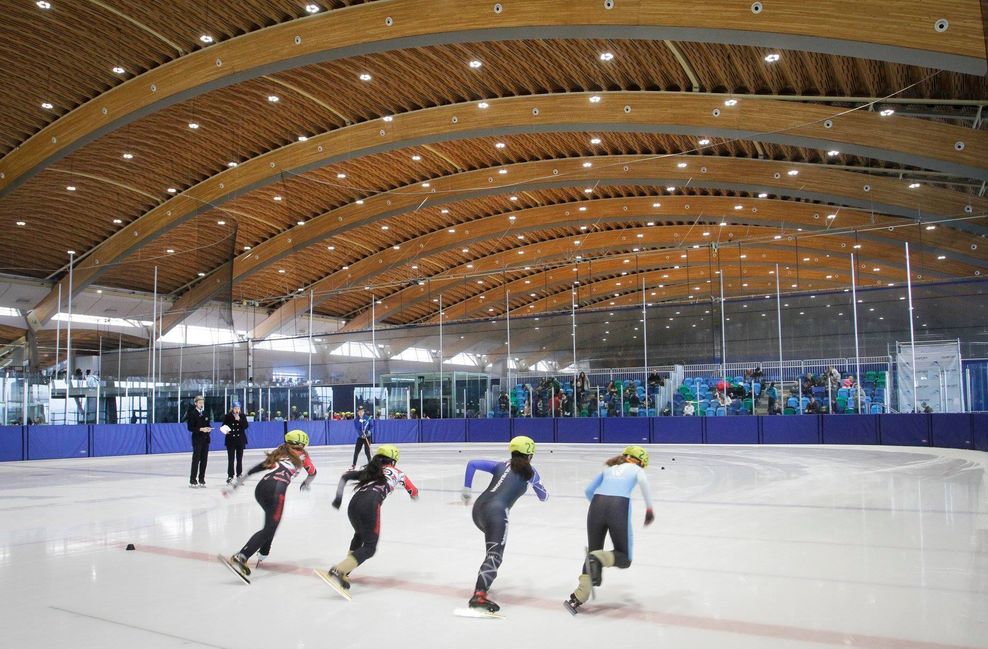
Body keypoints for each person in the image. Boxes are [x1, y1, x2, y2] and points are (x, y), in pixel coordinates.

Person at [461, 436, 548, 613]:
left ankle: (483, 582)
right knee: (495, 555)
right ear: (530, 455)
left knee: (491, 552)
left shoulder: (500, 465)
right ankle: (479, 595)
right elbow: (543, 497)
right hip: (497, 513)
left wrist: (466, 490)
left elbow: (472, 464)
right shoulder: (531, 473)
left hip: (478, 510)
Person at [564, 446, 654, 615]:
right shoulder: (636, 469)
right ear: (640, 461)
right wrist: (649, 509)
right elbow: (644, 483)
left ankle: (577, 598)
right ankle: (597, 558)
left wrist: (599, 506)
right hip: (618, 507)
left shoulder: (609, 468)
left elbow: (588, 490)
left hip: (596, 505)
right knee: (624, 558)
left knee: (593, 552)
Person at [319, 445, 418, 591]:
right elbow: (414, 491)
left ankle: (345, 572)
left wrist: (338, 499)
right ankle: (339, 569)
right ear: (393, 461)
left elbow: (345, 476)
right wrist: (414, 496)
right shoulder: (398, 473)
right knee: (370, 548)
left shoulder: (370, 470)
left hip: (353, 504)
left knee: (359, 535)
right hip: (370, 505)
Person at [221, 430, 316, 579]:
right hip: (277, 490)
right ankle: (242, 556)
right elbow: (313, 473)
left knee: (270, 525)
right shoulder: (303, 456)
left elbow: (251, 470)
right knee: (270, 527)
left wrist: (234, 487)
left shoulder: (278, 453)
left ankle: (263, 552)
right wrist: (306, 483)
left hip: (261, 489)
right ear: (301, 445)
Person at [186, 395, 212, 488]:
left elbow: (208, 423)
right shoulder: (192, 413)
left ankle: (202, 479)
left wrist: (208, 428)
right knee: (196, 460)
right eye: (200, 402)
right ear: (196, 403)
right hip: (197, 439)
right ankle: (193, 480)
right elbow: (190, 427)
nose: (202, 404)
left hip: (205, 439)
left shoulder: (205, 413)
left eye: (202, 402)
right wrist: (201, 429)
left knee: (204, 460)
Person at [222, 401, 249, 485]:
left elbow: (246, 426)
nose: (237, 410)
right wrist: (225, 431)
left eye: (238, 408)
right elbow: (223, 426)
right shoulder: (228, 416)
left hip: (240, 440)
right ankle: (230, 476)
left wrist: (240, 420)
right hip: (231, 440)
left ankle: (239, 475)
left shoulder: (242, 416)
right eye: (235, 408)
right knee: (231, 459)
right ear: (232, 409)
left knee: (239, 459)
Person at [351, 405, 375, 469]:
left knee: (367, 451)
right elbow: (357, 428)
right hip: (361, 437)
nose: (360, 412)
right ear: (357, 412)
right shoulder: (356, 420)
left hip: (367, 437)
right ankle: (354, 464)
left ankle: (370, 464)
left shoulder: (368, 418)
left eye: (362, 411)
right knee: (356, 451)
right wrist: (361, 434)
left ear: (363, 411)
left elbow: (371, 426)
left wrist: (367, 432)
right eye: (359, 411)